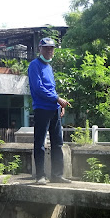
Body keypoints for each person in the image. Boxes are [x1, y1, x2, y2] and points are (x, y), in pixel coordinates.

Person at [28, 37, 71, 184]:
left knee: (58, 143)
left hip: (54, 109)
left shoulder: (49, 67)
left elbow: (51, 89)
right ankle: (40, 176)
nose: (49, 51)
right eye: (46, 48)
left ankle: (57, 175)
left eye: (51, 48)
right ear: (39, 49)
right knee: (40, 142)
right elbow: (39, 88)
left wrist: (58, 106)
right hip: (42, 109)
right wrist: (58, 99)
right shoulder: (35, 65)